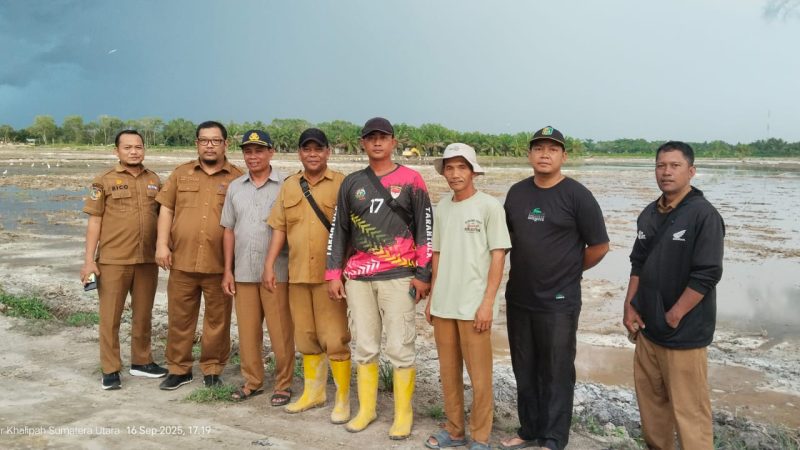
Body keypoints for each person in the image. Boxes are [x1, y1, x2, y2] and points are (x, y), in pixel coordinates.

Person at [501, 126, 609, 450]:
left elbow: (599, 246)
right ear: (529, 154)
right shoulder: (516, 193)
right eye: (539, 148)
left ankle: (553, 438)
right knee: (524, 368)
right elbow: (504, 242)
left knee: (556, 370)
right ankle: (529, 430)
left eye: (552, 149)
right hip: (519, 298)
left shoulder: (577, 195)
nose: (544, 154)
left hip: (559, 302)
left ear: (564, 156)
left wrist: (569, 270)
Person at [326, 117, 433, 439]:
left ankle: (403, 414)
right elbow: (339, 231)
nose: (377, 142)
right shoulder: (352, 183)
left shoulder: (412, 179)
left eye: (383, 137)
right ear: (363, 143)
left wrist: (424, 273)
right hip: (358, 279)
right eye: (370, 137)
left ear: (393, 142)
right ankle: (367, 409)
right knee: (365, 346)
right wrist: (333, 273)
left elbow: (426, 229)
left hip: (399, 277)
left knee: (400, 346)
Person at [623, 141, 724, 450]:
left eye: (674, 165)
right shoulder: (649, 213)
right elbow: (638, 263)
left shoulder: (703, 215)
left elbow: (707, 273)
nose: (666, 172)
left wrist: (675, 314)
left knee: (690, 412)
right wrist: (629, 306)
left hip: (684, 334)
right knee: (652, 408)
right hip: (648, 331)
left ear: (691, 171)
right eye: (660, 165)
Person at [423, 144, 511, 450]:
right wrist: (433, 297)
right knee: (449, 374)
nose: (455, 174)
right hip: (444, 305)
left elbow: (498, 256)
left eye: (462, 167)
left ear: (473, 172)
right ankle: (455, 431)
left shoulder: (489, 206)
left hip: (474, 307)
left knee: (480, 377)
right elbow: (437, 254)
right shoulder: (442, 207)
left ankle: (481, 437)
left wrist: (487, 303)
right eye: (449, 168)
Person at [263, 128, 352, 422]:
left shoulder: (342, 184)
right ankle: (314, 393)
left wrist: (343, 271)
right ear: (299, 153)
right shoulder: (289, 186)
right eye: (307, 149)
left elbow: (352, 231)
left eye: (318, 149)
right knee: (306, 338)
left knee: (335, 338)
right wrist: (269, 264)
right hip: (298, 275)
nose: (312, 154)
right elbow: (280, 228)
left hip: (331, 277)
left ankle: (342, 399)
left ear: (327, 152)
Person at [155, 121, 243, 390]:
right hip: (182, 261)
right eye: (204, 140)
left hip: (220, 265)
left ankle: (212, 368)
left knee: (218, 321)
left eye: (215, 141)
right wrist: (161, 244)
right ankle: (179, 369)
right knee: (179, 318)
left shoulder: (237, 178)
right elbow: (166, 209)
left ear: (226, 144)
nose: (209, 146)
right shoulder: (181, 174)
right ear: (197, 144)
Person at [80, 129, 168, 390]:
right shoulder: (103, 181)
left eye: (138, 147)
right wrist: (89, 261)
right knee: (110, 317)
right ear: (116, 151)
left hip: (146, 260)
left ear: (144, 149)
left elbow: (164, 216)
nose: (134, 152)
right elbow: (94, 222)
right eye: (127, 147)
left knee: (143, 313)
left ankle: (142, 361)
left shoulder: (154, 179)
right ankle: (110, 369)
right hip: (113, 260)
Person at [220, 129, 294, 404]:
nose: (253, 156)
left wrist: (272, 265)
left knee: (280, 331)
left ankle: (284, 384)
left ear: (271, 152)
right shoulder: (235, 187)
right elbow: (228, 229)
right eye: (248, 151)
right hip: (243, 272)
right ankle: (253, 382)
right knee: (248, 332)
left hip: (277, 272)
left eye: (259, 151)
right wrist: (228, 270)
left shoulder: (286, 185)